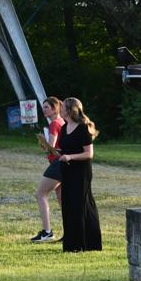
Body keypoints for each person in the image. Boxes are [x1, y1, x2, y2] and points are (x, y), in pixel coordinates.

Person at [55, 97, 101, 253]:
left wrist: (70, 157)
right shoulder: (64, 128)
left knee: (80, 204)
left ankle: (87, 243)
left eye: (62, 108)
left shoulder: (83, 128)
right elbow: (66, 148)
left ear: (70, 110)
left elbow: (89, 154)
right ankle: (71, 243)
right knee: (68, 204)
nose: (60, 110)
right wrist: (54, 151)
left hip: (81, 172)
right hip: (67, 170)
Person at [31, 96, 64, 243]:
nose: (43, 110)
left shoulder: (54, 124)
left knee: (40, 194)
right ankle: (70, 231)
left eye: (46, 107)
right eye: (43, 107)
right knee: (62, 200)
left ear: (55, 109)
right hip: (63, 164)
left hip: (57, 164)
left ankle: (47, 232)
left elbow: (52, 148)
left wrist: (43, 144)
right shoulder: (62, 122)